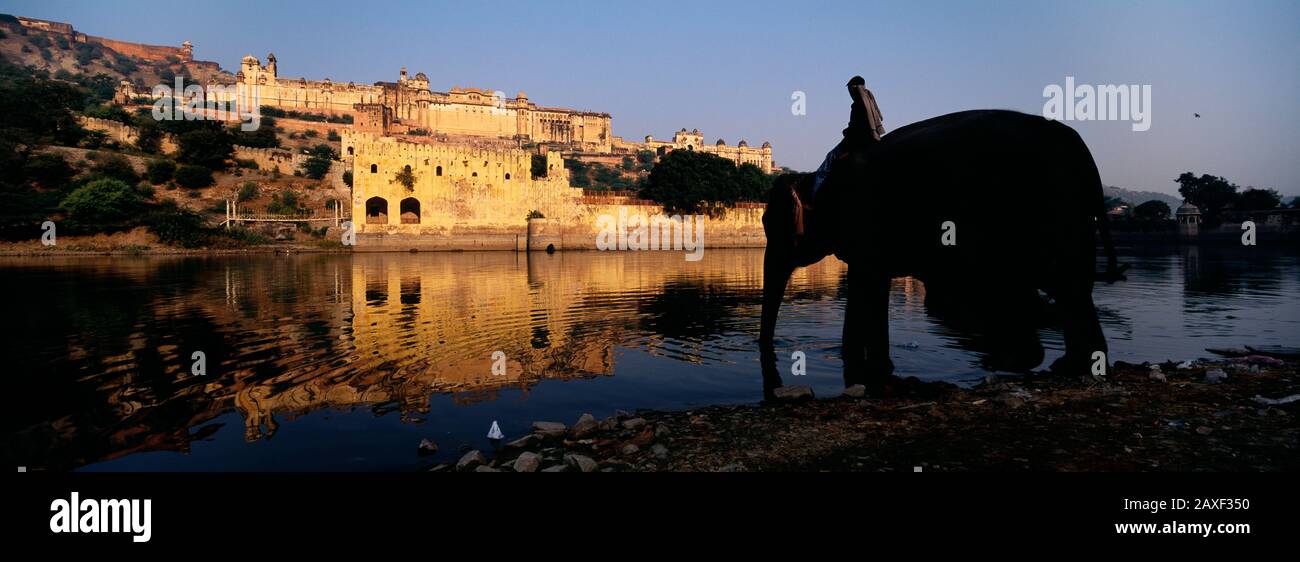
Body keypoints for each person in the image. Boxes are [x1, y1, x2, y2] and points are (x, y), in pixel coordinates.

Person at [811, 76, 885, 196]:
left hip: (854, 142)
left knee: (827, 162)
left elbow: (855, 129)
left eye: (850, 90)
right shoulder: (869, 101)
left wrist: (847, 132)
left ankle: (813, 197)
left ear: (854, 88)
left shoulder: (857, 105)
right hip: (866, 140)